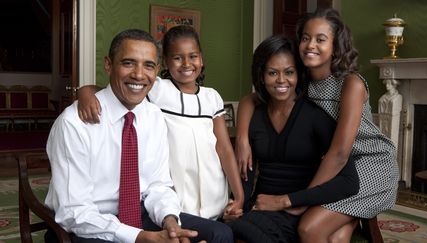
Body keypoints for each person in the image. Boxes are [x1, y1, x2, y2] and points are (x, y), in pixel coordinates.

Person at [44, 28, 233, 243]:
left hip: (140, 212)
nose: (139, 74)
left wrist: (170, 221)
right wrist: (141, 238)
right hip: (88, 223)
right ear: (108, 64)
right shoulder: (74, 123)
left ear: (157, 70)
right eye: (128, 63)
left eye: (149, 65)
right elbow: (74, 212)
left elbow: (159, 185)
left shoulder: (153, 116)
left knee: (221, 234)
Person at [235, 8, 399, 243]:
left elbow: (340, 152)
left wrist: (300, 200)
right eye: (305, 38)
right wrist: (242, 137)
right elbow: (251, 99)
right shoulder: (305, 80)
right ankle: (348, 221)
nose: (311, 44)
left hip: (371, 164)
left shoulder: (351, 84)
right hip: (340, 167)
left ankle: (348, 218)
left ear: (336, 46)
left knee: (309, 228)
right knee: (336, 237)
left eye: (320, 39)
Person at [227, 35, 359, 243]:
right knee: (226, 229)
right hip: (261, 207)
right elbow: (247, 175)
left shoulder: (316, 116)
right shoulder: (255, 115)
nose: (281, 80)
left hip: (298, 211)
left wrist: (289, 202)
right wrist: (237, 206)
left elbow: (349, 182)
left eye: (289, 72)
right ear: (261, 76)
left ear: (298, 75)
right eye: (272, 73)